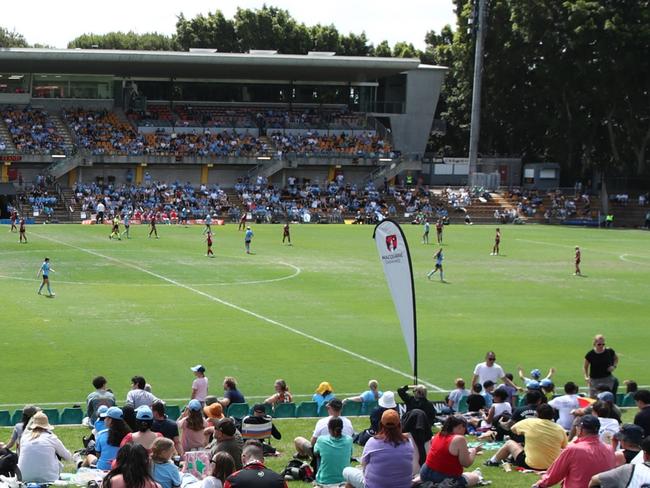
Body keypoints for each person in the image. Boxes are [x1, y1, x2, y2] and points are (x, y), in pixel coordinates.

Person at [533, 415, 615, 488]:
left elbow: (553, 477)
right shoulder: (610, 449)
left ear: (580, 429)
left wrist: (539, 484)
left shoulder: (574, 449)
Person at [342, 410, 416, 488]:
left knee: (346, 471)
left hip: (372, 485)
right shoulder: (408, 443)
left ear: (380, 425)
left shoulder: (373, 442)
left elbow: (363, 463)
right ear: (399, 425)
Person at [484, 404, 567, 470]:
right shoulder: (560, 429)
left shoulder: (529, 422)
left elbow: (512, 429)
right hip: (552, 466)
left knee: (510, 443)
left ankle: (492, 461)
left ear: (537, 414)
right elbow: (564, 447)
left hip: (530, 464)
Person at [420, 415, 483, 487]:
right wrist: (474, 451)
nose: (465, 431)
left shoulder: (437, 435)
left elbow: (444, 454)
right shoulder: (459, 439)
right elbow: (466, 463)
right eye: (464, 428)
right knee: (475, 477)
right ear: (460, 427)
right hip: (444, 478)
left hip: (425, 473)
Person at [17, 411, 72, 483]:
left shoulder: (24, 438)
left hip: (23, 477)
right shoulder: (52, 438)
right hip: (49, 478)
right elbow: (67, 457)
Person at [313, 417, 353, 486]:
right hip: (344, 480)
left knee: (319, 455)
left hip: (324, 481)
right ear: (342, 428)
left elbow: (315, 452)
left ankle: (318, 476)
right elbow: (351, 454)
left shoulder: (321, 440)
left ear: (329, 429)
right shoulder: (349, 440)